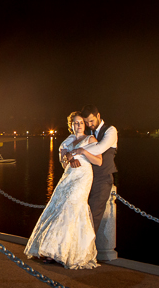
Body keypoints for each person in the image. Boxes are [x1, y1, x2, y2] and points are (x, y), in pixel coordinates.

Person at [24, 112, 101, 269]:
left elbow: (99, 161)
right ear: (70, 125)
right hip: (68, 177)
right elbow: (64, 165)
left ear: (85, 124)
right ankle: (54, 250)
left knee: (72, 207)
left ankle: (68, 252)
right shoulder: (68, 141)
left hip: (83, 177)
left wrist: (83, 152)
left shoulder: (91, 139)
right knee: (59, 207)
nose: (78, 125)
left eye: (81, 122)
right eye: (75, 123)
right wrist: (66, 157)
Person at [68, 104, 118, 233]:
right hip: (85, 179)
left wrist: (77, 151)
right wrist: (72, 157)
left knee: (92, 217)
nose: (89, 124)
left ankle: (88, 251)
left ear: (98, 116)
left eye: (92, 120)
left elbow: (100, 148)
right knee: (80, 216)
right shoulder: (88, 133)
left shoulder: (110, 131)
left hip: (102, 179)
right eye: (86, 122)